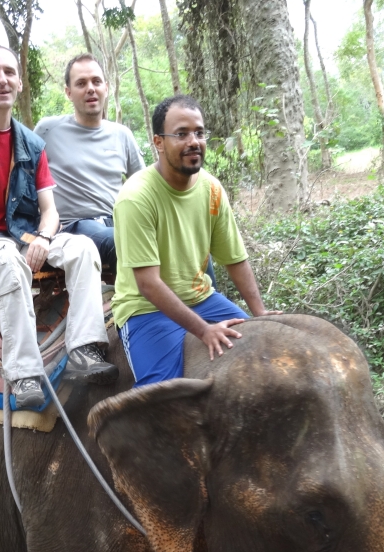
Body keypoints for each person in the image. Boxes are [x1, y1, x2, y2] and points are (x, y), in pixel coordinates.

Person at [0, 44, 116, 410]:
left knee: (83, 247)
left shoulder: (32, 143)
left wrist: (44, 237)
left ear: (20, 82)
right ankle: (24, 373)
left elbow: (50, 211)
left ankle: (84, 349)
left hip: (22, 234)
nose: (2, 80)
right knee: (9, 261)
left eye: (9, 72)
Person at [112, 95, 276, 387]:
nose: (194, 142)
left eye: (199, 133)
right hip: (146, 309)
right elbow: (148, 284)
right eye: (181, 134)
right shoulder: (136, 197)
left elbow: (234, 259)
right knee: (163, 398)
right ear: (158, 142)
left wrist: (259, 312)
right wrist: (203, 331)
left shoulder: (211, 189)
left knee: (264, 354)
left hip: (203, 298)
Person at [33, 54, 143, 269]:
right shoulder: (48, 130)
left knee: (182, 240)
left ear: (106, 88)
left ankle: (204, 290)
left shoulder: (122, 135)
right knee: (121, 242)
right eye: (81, 83)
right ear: (68, 92)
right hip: (74, 227)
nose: (90, 89)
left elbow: (145, 187)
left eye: (96, 81)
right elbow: (22, 178)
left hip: (118, 222)